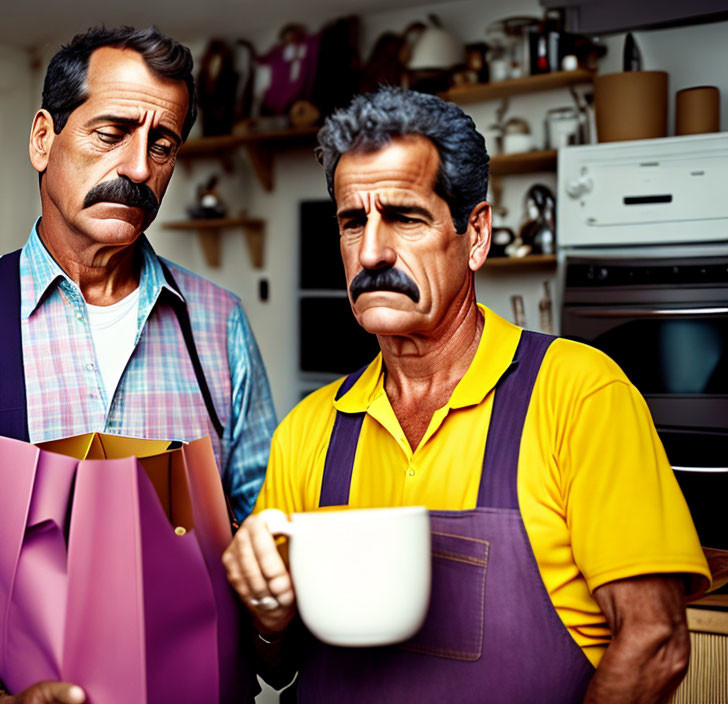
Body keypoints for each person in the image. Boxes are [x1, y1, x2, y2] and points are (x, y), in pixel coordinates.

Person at [222, 87, 711, 703]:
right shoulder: (309, 430)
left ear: (475, 235)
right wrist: (266, 618)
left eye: (404, 217)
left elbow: (655, 642)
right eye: (353, 222)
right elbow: (278, 666)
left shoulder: (580, 394)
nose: (371, 252)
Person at [0, 25, 276, 704]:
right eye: (112, 132)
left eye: (162, 144)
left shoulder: (217, 326)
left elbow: (261, 548)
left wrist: (277, 605)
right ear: (44, 139)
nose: (138, 168)